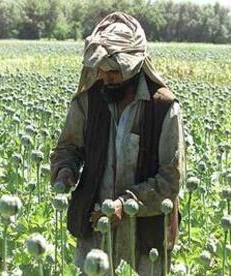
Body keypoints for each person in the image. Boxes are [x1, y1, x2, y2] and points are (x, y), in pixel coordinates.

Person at [50, 12, 184, 275]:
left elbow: (170, 179)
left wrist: (125, 204)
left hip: (145, 241)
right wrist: (65, 169)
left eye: (113, 72)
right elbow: (68, 147)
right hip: (95, 233)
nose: (104, 76)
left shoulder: (163, 108)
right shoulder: (88, 101)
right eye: (100, 69)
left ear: (132, 67)